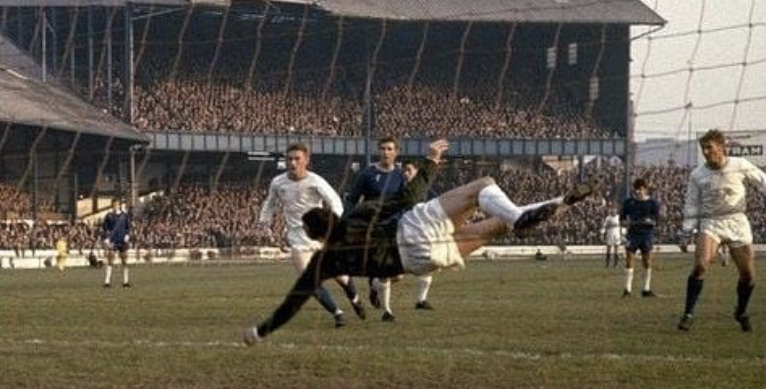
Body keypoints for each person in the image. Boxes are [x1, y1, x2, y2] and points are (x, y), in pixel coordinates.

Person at [243, 140, 598, 344]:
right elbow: (407, 197)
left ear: (314, 237)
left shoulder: (330, 261)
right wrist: (430, 161)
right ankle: (532, 210)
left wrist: (261, 331)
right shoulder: (356, 215)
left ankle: (555, 205)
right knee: (483, 186)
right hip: (411, 228)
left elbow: (292, 302)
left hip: (418, 261)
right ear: (331, 218)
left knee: (496, 228)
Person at [676, 129, 766, 332]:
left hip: (737, 221)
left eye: (709, 147)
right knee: (701, 266)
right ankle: (687, 314)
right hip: (711, 222)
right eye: (703, 148)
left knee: (748, 276)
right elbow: (691, 204)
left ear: (723, 147)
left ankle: (740, 311)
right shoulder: (697, 174)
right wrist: (687, 231)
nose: (706, 152)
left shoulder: (739, 165)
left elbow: (763, 181)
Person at [257, 142, 365, 328]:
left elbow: (335, 202)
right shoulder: (278, 182)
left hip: (321, 237)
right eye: (289, 159)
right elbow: (270, 203)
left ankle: (355, 299)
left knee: (341, 277)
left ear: (306, 160)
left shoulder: (316, 181)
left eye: (297, 159)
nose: (293, 163)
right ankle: (337, 314)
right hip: (298, 239)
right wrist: (264, 221)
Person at [345, 138, 436, 318]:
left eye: (389, 149)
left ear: (396, 152)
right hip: (374, 229)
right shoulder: (367, 174)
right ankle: (387, 311)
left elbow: (406, 201)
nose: (385, 152)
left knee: (399, 274)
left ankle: (374, 286)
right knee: (386, 270)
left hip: (396, 227)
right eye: (382, 149)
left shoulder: (400, 176)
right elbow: (352, 199)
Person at [374, 157, 440, 322]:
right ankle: (386, 311)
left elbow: (435, 208)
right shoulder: (398, 190)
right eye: (404, 170)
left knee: (429, 264)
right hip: (395, 234)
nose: (405, 173)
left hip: (417, 236)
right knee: (392, 274)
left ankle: (420, 300)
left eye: (409, 170)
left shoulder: (425, 191)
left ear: (416, 172)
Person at [620, 177, 660, 297]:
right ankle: (627, 289)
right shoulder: (629, 202)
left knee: (647, 261)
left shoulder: (653, 203)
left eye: (641, 189)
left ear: (646, 189)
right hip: (632, 234)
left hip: (646, 235)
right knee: (629, 260)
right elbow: (622, 218)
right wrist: (625, 223)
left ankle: (646, 289)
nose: (638, 191)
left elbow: (657, 220)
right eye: (636, 189)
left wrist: (650, 221)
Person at [101, 199, 132, 288]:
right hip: (113, 241)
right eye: (114, 205)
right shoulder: (109, 216)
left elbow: (128, 227)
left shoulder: (124, 216)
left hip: (122, 240)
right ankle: (107, 282)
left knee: (124, 261)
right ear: (112, 206)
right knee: (110, 260)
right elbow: (105, 228)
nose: (115, 206)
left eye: (117, 204)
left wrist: (127, 235)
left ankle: (125, 281)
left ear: (119, 205)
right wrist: (107, 238)